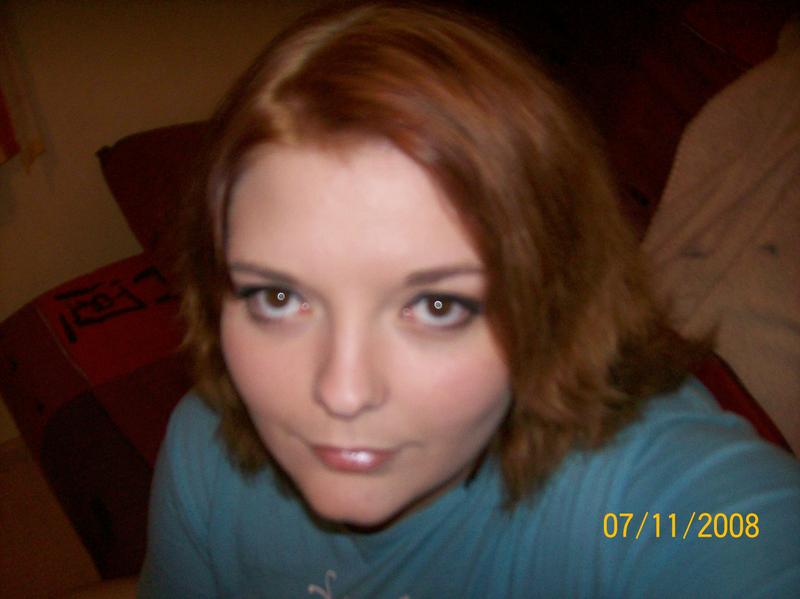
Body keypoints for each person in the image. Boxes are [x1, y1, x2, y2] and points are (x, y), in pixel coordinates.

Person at [138, 3, 800, 597]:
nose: (342, 393)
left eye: (436, 306)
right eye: (279, 297)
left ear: (553, 303)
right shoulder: (209, 453)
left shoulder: (648, 510)